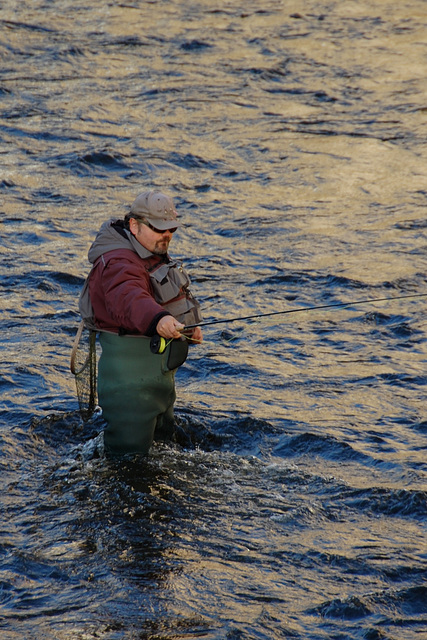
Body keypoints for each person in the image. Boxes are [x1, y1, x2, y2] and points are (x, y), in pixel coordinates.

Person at [78, 190, 203, 456]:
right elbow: (129, 297)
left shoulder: (148, 249)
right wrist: (159, 320)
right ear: (134, 225)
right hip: (130, 383)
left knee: (161, 447)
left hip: (157, 378)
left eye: (171, 228)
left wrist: (188, 327)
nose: (166, 235)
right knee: (128, 459)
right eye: (159, 229)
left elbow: (165, 295)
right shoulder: (118, 261)